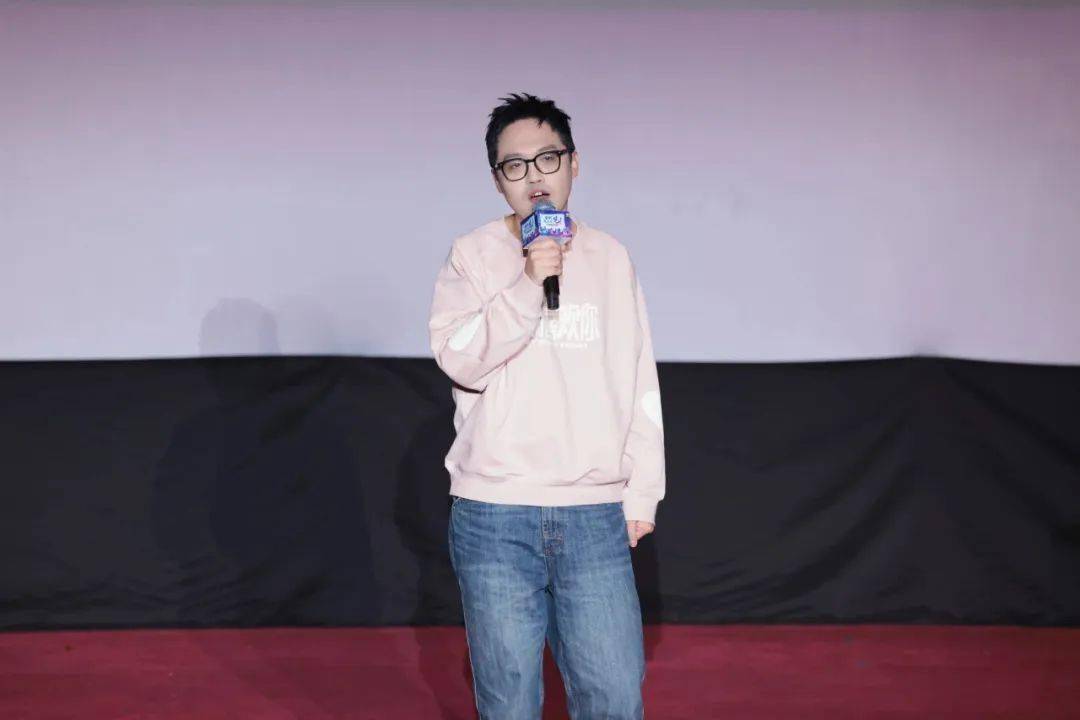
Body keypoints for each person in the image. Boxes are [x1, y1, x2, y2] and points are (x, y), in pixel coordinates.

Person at [428, 92, 666, 720]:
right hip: (495, 512)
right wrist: (528, 282)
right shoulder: (472, 255)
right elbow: (460, 360)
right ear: (497, 179)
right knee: (508, 703)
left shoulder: (611, 257)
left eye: (547, 158)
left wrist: (642, 493)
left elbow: (638, 378)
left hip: (593, 513)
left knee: (614, 697)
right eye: (515, 165)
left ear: (574, 163)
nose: (534, 176)